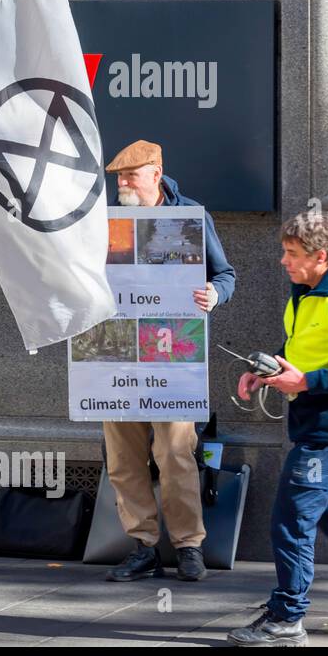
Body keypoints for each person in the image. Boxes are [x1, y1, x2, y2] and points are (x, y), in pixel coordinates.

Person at [228, 211, 328, 646]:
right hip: (313, 427)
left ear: (320, 256)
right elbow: (299, 347)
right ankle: (284, 614)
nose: (283, 262)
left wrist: (303, 381)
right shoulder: (305, 292)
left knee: (291, 523)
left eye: (291, 254)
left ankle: (286, 619)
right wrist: (266, 369)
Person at [102, 139, 236, 583]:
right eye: (119, 177)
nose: (122, 183)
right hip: (117, 354)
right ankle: (142, 546)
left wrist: (214, 295)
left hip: (173, 356)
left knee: (176, 452)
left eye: (131, 176)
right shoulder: (105, 220)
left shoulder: (191, 215)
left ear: (156, 173)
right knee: (123, 457)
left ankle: (188, 546)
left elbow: (225, 274)